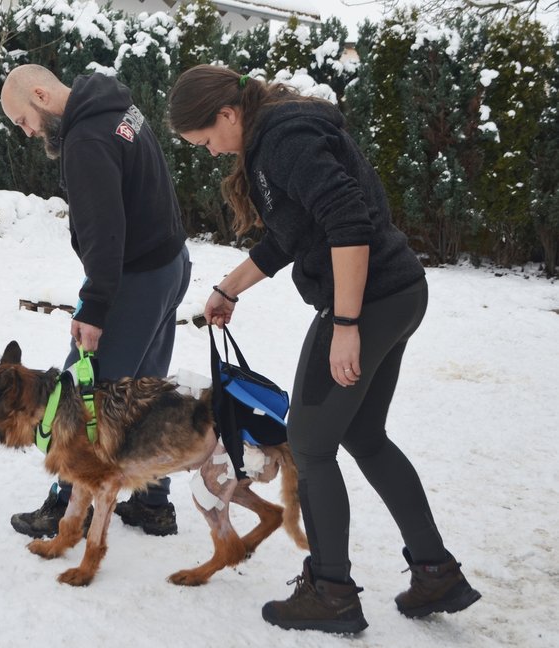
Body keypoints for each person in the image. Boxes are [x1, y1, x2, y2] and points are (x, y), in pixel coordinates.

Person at [167, 64, 480, 634]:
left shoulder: (284, 139)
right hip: (397, 290)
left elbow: (346, 222)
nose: (211, 153)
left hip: (369, 300)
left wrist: (346, 323)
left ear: (228, 115)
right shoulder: (275, 137)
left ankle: (330, 590)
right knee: (362, 434)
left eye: (207, 140)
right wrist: (228, 288)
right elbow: (293, 233)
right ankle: (436, 572)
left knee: (309, 443)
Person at [0, 64, 191, 538]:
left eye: (23, 119)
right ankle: (151, 502)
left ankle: (70, 509)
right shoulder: (114, 104)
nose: (26, 133)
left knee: (82, 393)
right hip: (169, 263)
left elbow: (107, 232)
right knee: (143, 390)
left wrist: (94, 307)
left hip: (135, 278)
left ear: (40, 95)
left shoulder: (85, 141)